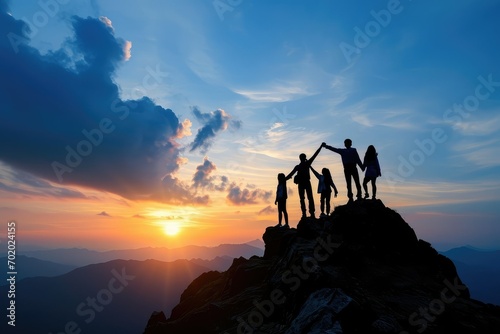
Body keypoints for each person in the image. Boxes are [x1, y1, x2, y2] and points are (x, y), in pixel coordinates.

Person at [286, 144, 322, 219]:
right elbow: (315, 155)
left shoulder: (300, 166)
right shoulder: (303, 165)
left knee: (305, 198)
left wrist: (284, 179)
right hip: (304, 183)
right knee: (307, 198)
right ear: (304, 158)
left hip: (304, 183)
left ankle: (307, 213)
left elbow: (290, 175)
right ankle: (308, 213)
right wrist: (321, 147)